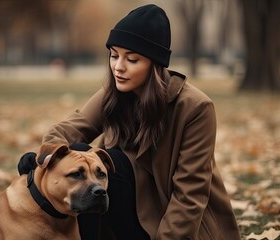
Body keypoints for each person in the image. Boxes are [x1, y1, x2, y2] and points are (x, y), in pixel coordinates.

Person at [18, 4, 240, 240]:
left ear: (155, 64)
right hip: (124, 211)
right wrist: (46, 154)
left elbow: (190, 194)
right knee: (82, 156)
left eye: (132, 59)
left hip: (170, 221)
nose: (118, 67)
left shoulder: (196, 108)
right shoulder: (113, 92)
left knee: (106, 160)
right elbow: (69, 129)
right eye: (114, 56)